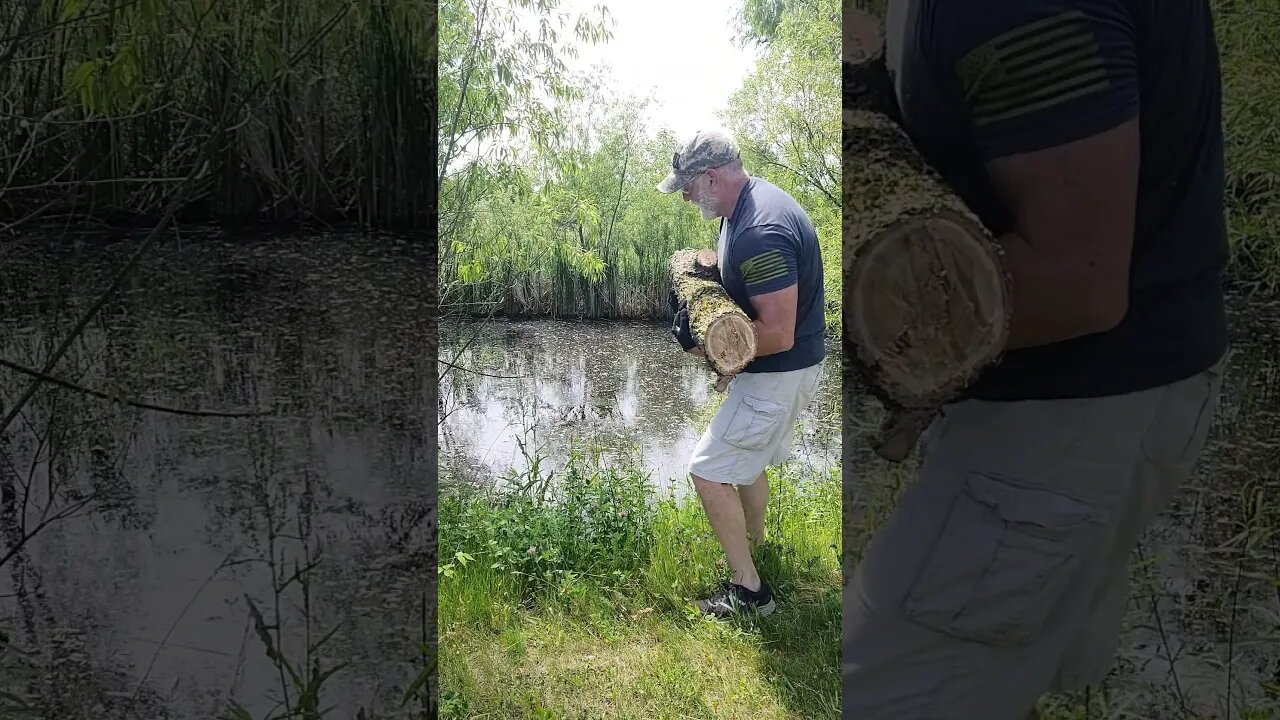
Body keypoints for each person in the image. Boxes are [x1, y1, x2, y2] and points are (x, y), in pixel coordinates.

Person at [842, 0, 1230, 718]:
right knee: (984, 685)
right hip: (1084, 410)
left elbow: (1078, 280)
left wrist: (853, 325)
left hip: (1063, 431)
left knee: (869, 695)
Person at [658, 128, 827, 618]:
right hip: (783, 372)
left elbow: (778, 333)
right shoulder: (744, 208)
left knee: (708, 471)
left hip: (780, 371)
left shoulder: (760, 231)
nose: (686, 197)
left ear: (711, 177)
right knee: (748, 463)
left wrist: (713, 348)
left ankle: (749, 591)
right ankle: (754, 547)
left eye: (688, 187)